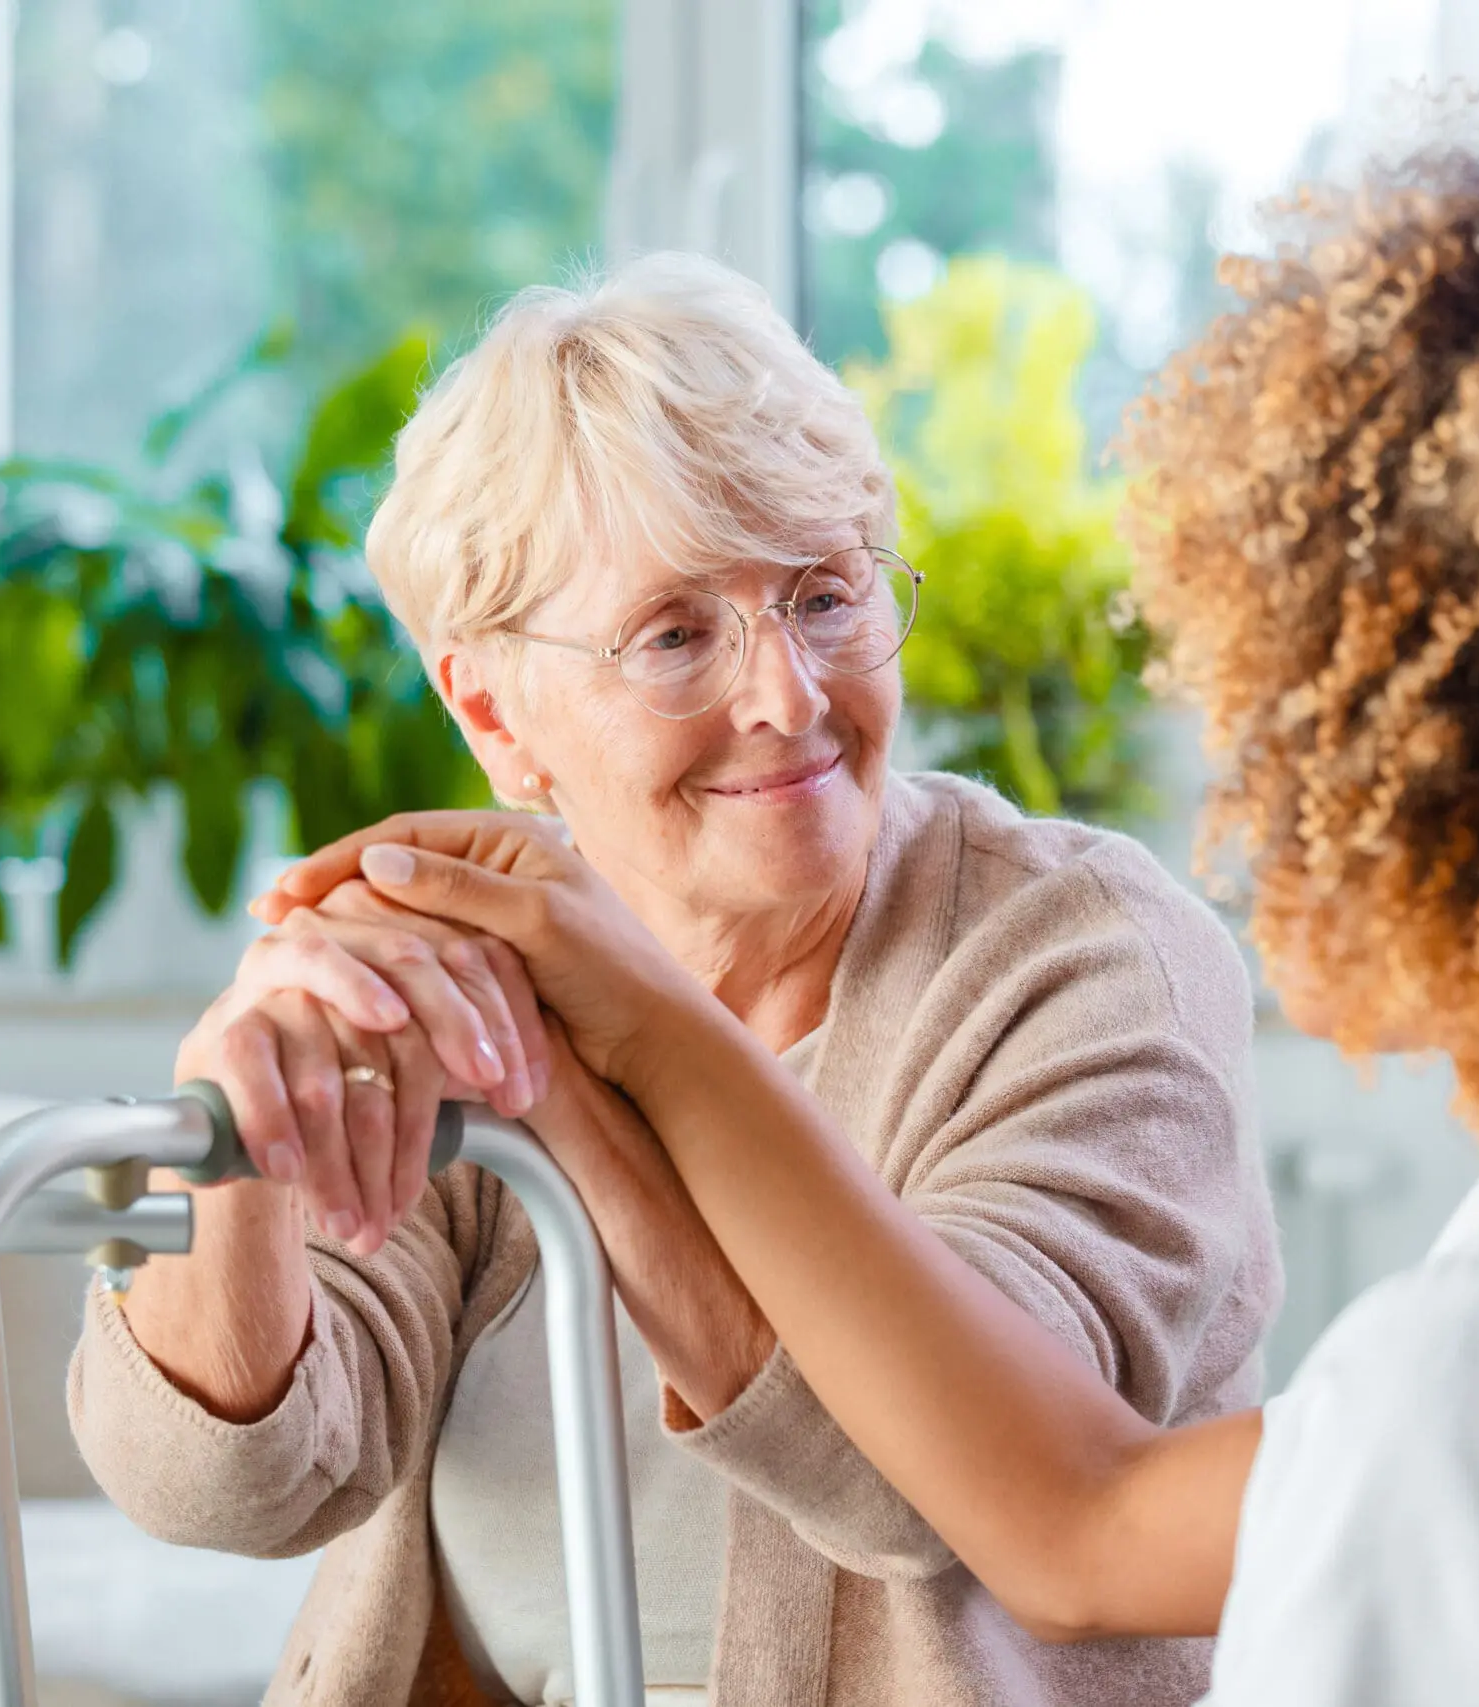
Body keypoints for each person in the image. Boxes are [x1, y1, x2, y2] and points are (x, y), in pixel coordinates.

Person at [263, 116, 1479, 1704]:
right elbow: (1065, 1513)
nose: (1247, 782)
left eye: (1277, 722)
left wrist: (636, 1037)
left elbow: (1060, 1523)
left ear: (1417, 790)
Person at [64, 253, 1282, 1707]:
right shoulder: (458, 970)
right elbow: (225, 1488)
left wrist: (593, 1086)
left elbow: (979, 1487)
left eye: (826, 596)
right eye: (677, 634)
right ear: (493, 709)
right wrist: (243, 1136)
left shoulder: (1080, 954)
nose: (786, 695)